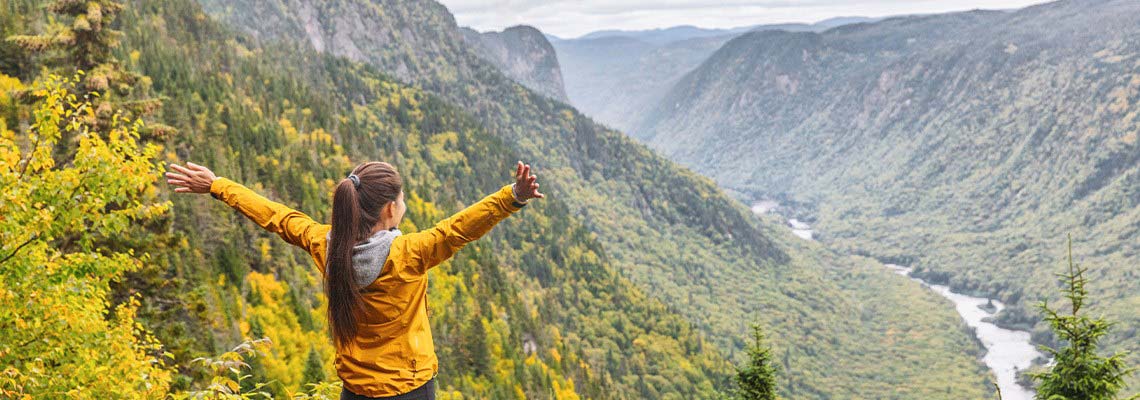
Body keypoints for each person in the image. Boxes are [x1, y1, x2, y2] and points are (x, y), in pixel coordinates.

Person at [166, 160, 544, 400]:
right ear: (390, 209)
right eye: (402, 197)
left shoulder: (325, 245)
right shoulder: (408, 254)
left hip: (355, 390)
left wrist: (218, 185)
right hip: (409, 389)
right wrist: (512, 196)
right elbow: (459, 229)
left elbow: (277, 217)